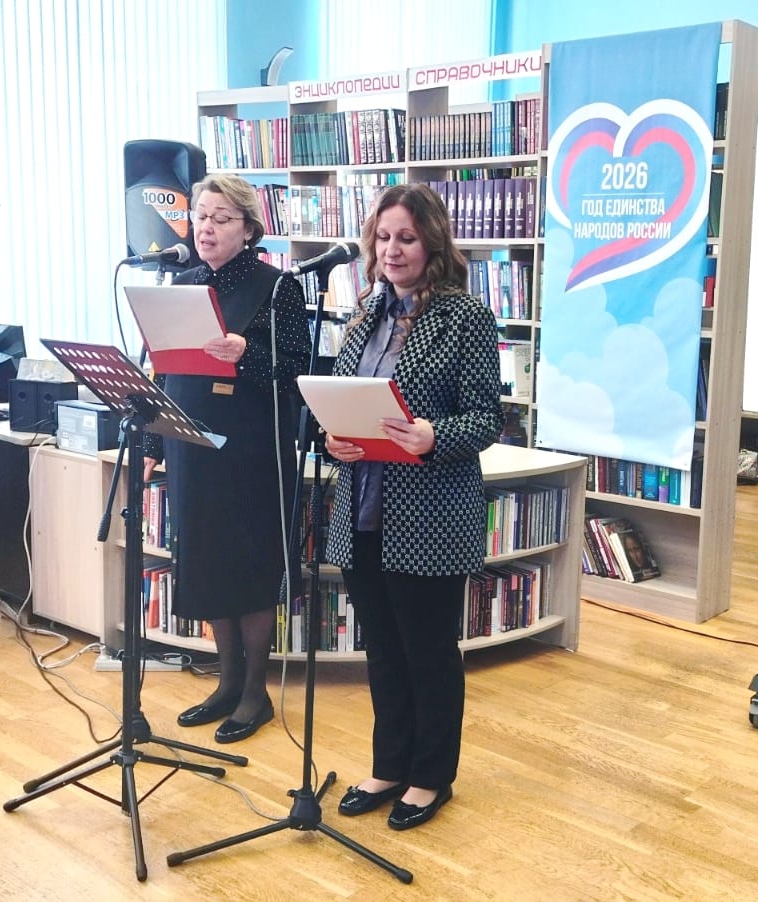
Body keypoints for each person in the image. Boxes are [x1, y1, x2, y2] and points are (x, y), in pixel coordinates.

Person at [323, 184, 502, 830]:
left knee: (428, 652)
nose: (392, 249)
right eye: (383, 237)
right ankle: (389, 764)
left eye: (406, 237)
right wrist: (334, 438)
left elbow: (487, 418)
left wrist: (433, 437)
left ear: (432, 242)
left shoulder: (465, 317)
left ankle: (430, 776)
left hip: (428, 516)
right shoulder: (364, 315)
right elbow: (343, 398)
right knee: (383, 651)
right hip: (362, 509)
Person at [142, 173, 309, 743]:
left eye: (220, 218)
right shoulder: (181, 283)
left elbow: (298, 371)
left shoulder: (277, 288)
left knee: (249, 567)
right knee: (208, 562)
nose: (206, 227)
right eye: (200, 217)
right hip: (191, 446)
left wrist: (247, 354)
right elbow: (162, 369)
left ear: (248, 229)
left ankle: (256, 692)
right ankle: (227, 682)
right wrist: (151, 443)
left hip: (252, 449)